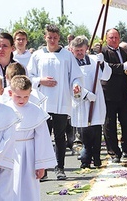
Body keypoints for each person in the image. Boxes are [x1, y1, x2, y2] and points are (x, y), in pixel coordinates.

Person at [27, 24, 83, 179]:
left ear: (59, 38)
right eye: (49, 37)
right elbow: (29, 77)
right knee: (42, 137)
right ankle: (42, 170)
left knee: (59, 137)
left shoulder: (66, 55)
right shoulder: (37, 55)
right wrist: (41, 80)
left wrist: (76, 84)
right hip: (42, 102)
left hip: (61, 101)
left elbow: (76, 75)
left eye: (55, 38)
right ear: (45, 37)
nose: (52, 40)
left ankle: (60, 168)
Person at [6, 75, 56, 200]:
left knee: (28, 187)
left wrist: (41, 164)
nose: (22, 100)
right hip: (8, 152)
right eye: (18, 96)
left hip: (29, 153)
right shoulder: (4, 109)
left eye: (26, 97)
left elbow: (42, 139)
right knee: (8, 186)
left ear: (30, 93)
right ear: (10, 93)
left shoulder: (36, 111)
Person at [69, 36, 111, 168]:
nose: (80, 53)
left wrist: (103, 63)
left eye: (82, 50)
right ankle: (85, 160)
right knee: (85, 133)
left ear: (86, 48)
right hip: (81, 102)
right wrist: (85, 94)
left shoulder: (93, 60)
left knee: (96, 130)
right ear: (72, 50)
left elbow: (105, 76)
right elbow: (71, 83)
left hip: (96, 101)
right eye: (77, 50)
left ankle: (97, 158)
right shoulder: (71, 63)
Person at [101, 28, 127, 163]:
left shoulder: (125, 51)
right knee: (110, 124)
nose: (114, 40)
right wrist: (122, 67)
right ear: (106, 38)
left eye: (116, 37)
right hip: (109, 93)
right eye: (111, 38)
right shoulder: (102, 52)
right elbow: (105, 67)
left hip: (124, 93)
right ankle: (114, 152)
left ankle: (126, 146)